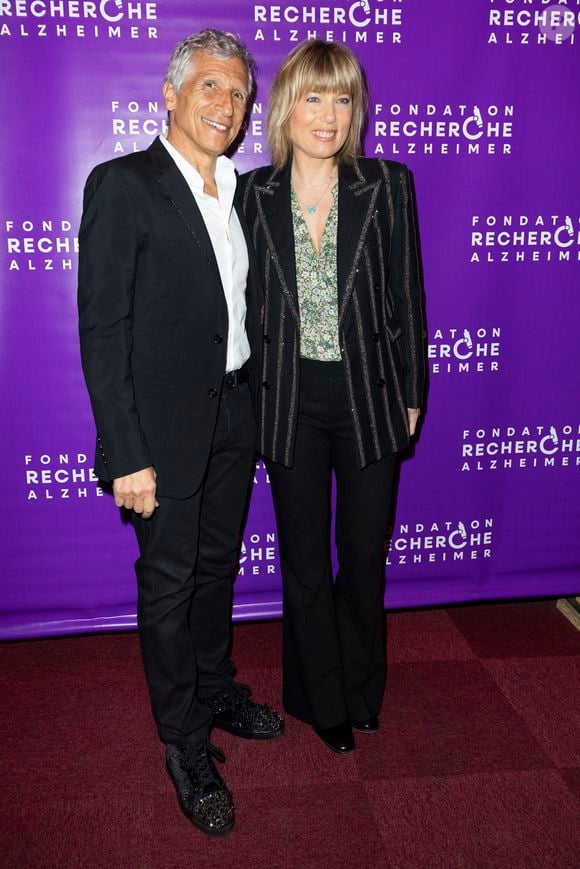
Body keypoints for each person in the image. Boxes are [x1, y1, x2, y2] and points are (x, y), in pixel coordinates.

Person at [78, 29, 283, 837]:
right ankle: (184, 742)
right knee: (168, 586)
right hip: (159, 433)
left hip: (235, 411)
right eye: (209, 88)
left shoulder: (243, 189)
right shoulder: (122, 185)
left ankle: (214, 685)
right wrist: (125, 452)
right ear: (169, 94)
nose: (227, 106)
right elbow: (103, 329)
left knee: (216, 566)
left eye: (237, 93)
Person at [239, 40, 425, 755]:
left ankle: (361, 687)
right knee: (306, 559)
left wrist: (412, 392)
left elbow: (408, 295)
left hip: (370, 396)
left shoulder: (387, 184)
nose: (328, 115)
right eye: (314, 98)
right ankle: (322, 697)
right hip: (288, 400)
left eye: (342, 98)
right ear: (286, 109)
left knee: (364, 555)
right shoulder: (253, 195)